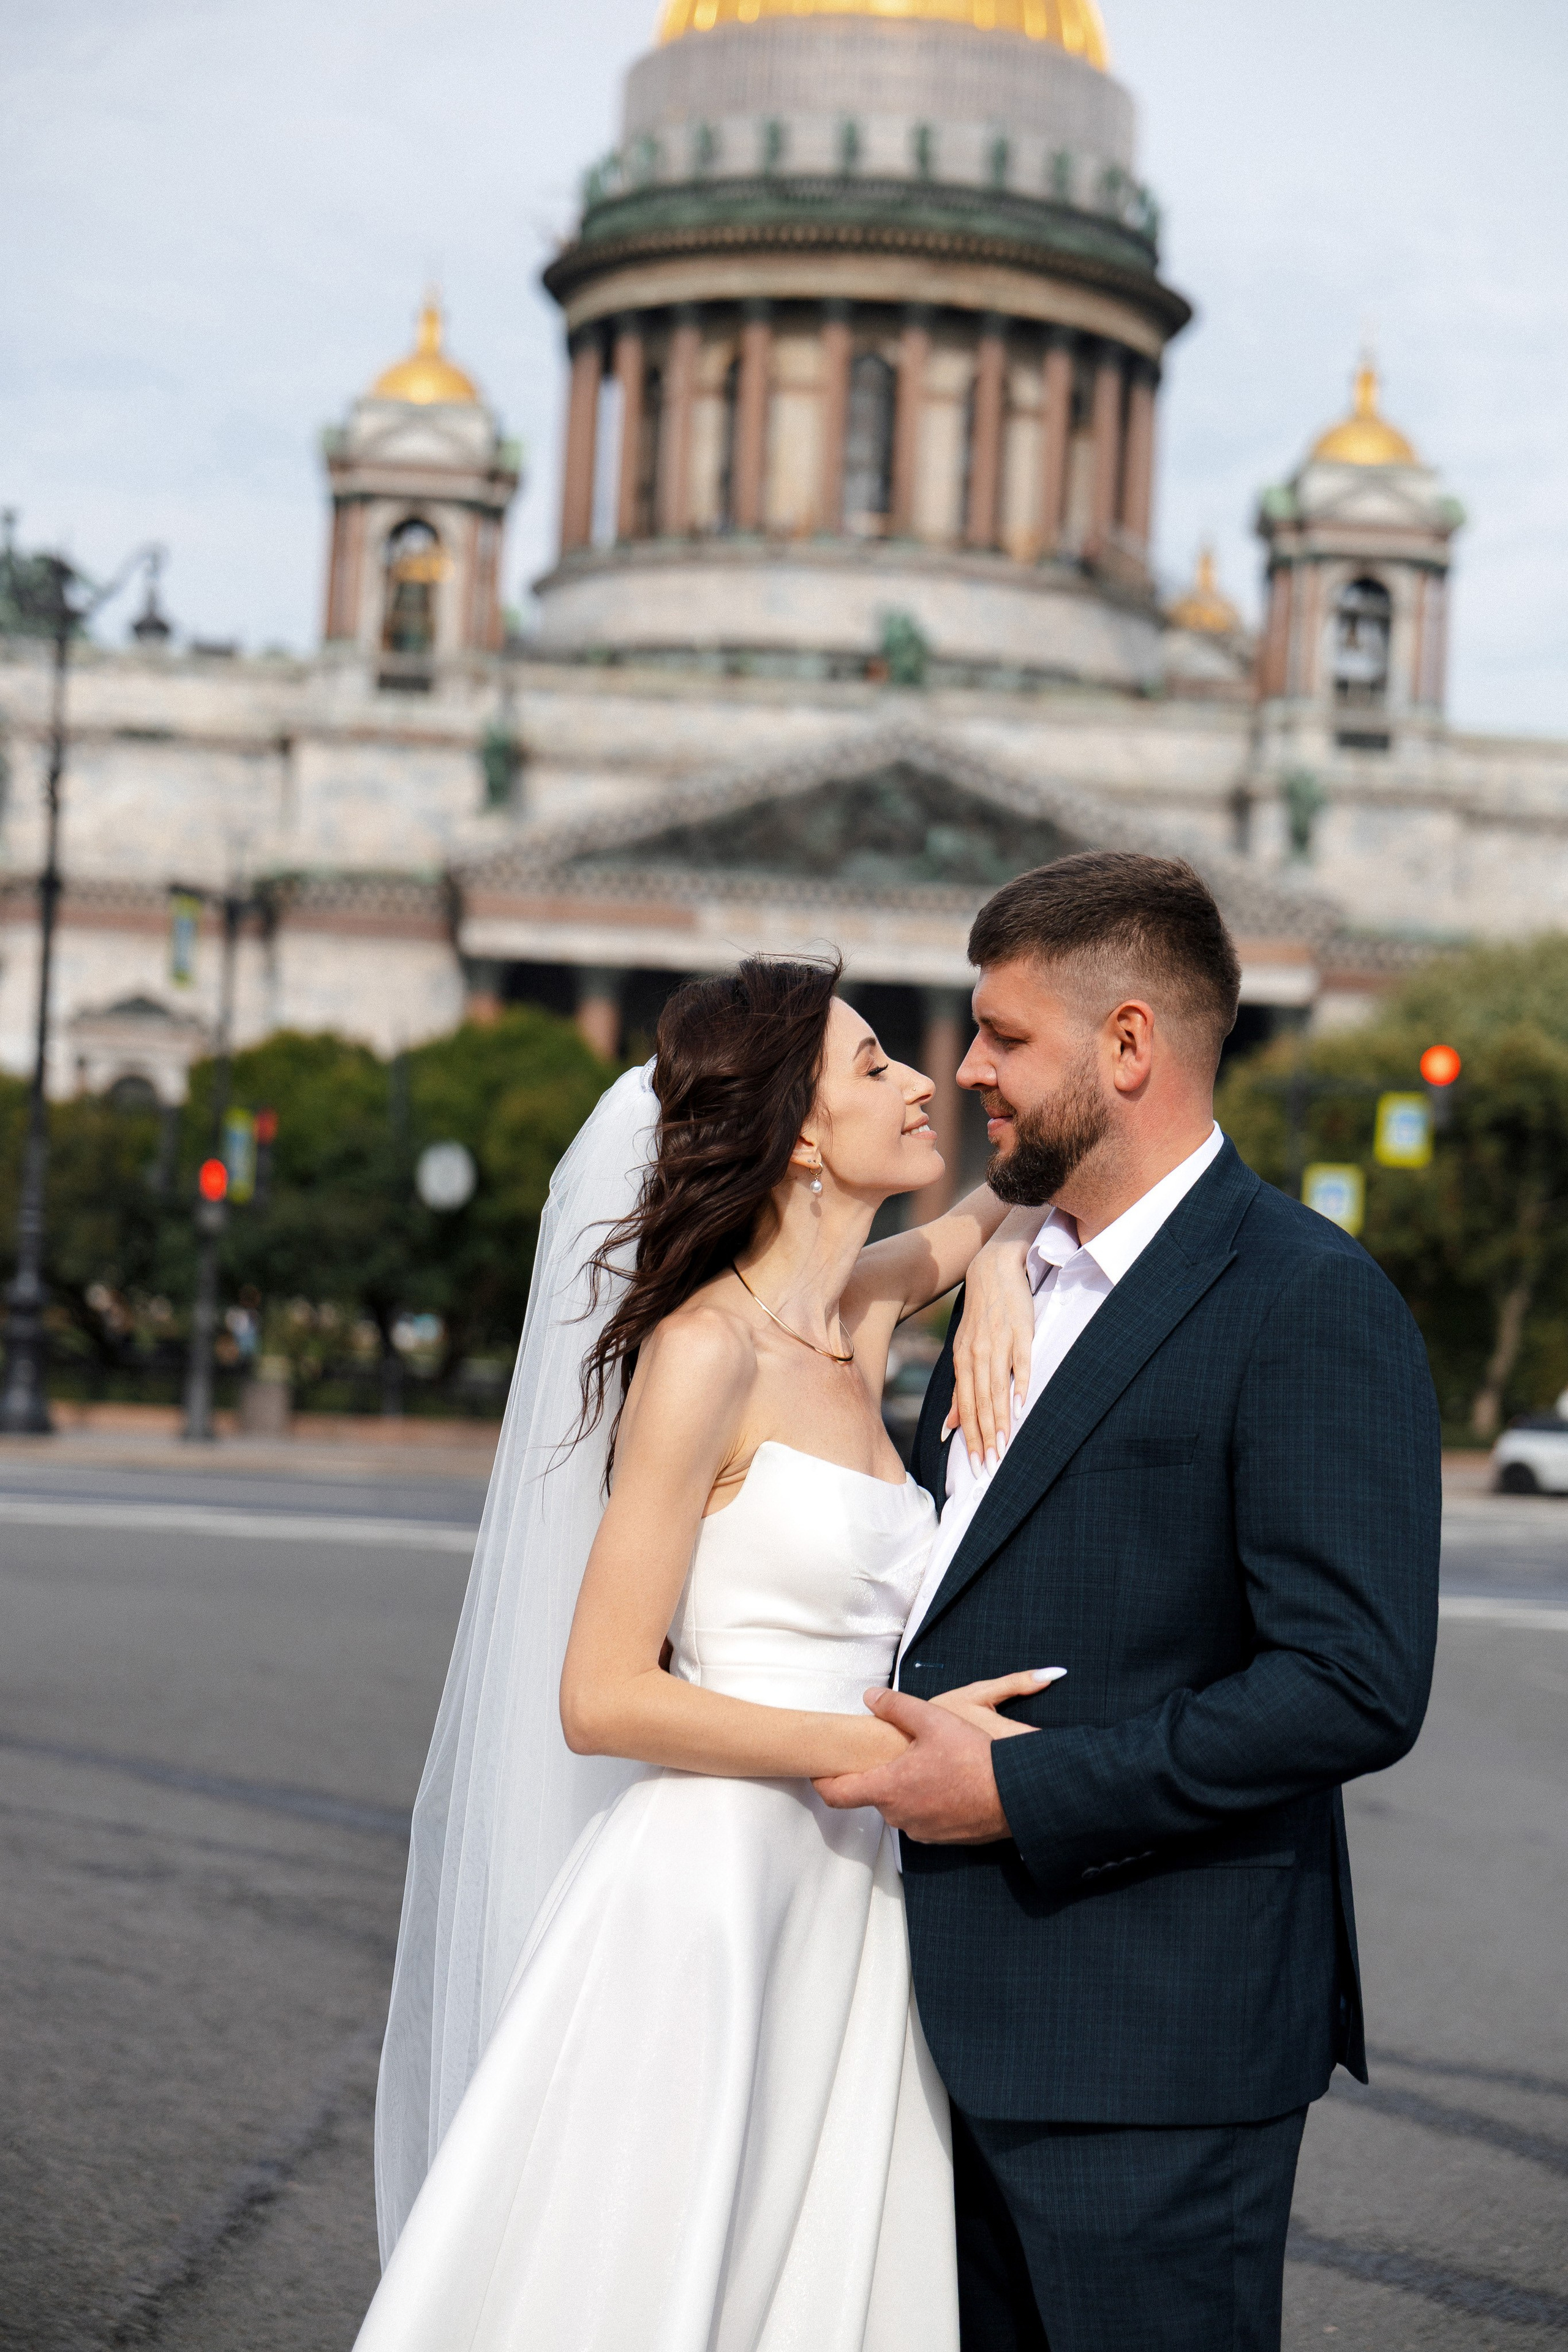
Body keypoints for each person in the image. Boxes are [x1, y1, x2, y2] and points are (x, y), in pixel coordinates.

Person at [358, 955, 1049, 2352]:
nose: (924, 1082)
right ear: (798, 1132)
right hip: (714, 1891)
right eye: (873, 1067)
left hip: (851, 1886)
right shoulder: (700, 1356)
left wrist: (1003, 1279)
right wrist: (886, 1744)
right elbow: (601, 1696)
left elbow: (1009, 1204)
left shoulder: (857, 1313)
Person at [817, 850, 1443, 2352]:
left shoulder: (1303, 1296)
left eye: (1003, 1037)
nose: (963, 1068)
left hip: (1150, 2060)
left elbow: (1352, 1681)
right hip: (914, 2049)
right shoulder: (1007, 1282)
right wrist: (992, 1255)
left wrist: (1018, 1791)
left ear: (1127, 1046)